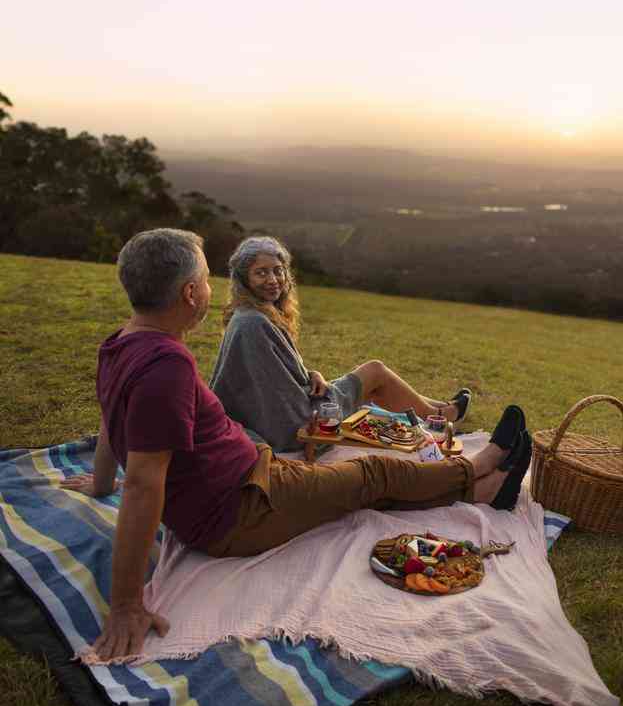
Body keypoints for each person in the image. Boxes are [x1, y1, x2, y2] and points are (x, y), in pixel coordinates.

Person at [61, 228, 531, 662]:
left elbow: (111, 419)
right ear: (189, 293)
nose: (210, 288)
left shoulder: (121, 344)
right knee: (374, 474)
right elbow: (143, 483)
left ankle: (482, 493)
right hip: (243, 509)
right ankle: (480, 466)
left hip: (253, 475)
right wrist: (126, 604)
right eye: (206, 279)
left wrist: (103, 483)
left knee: (355, 491)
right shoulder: (167, 367)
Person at [209, 236, 472, 452]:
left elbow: (275, 374)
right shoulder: (251, 324)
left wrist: (312, 374)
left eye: (278, 271)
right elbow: (277, 401)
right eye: (261, 273)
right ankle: (442, 416)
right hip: (298, 424)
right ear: (244, 280)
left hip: (299, 405)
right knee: (375, 372)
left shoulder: (258, 313)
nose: (272, 279)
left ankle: (439, 409)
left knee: (373, 382)